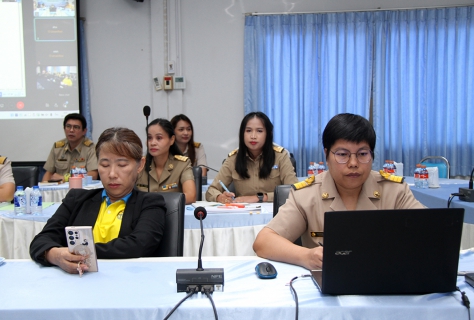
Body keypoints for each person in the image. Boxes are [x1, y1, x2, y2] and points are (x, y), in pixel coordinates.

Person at [253, 113, 424, 270]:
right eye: (343, 154)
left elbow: (431, 233)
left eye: (362, 154)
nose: (353, 163)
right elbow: (264, 242)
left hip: (386, 282)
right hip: (327, 288)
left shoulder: (395, 191)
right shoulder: (306, 195)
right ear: (327, 155)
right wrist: (307, 256)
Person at [30, 127, 166, 274]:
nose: (112, 174)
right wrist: (54, 255)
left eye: (122, 165)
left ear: (140, 165)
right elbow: (41, 241)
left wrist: (78, 252)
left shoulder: (150, 203)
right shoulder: (77, 199)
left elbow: (138, 244)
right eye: (105, 165)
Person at [205, 112, 298, 204]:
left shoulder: (280, 156)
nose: (253, 136)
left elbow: (294, 190)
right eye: (248, 131)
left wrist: (261, 197)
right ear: (242, 134)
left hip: (275, 214)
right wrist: (220, 197)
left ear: (268, 134)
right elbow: (211, 190)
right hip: (243, 214)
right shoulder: (233, 158)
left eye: (259, 131)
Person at [136, 118, 196, 204]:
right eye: (149, 138)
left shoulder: (182, 164)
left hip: (171, 214)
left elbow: (191, 196)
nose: (152, 143)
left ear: (171, 140)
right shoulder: (140, 164)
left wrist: (156, 201)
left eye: (159, 138)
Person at [42, 113, 98, 182]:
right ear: (64, 128)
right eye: (68, 126)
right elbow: (49, 173)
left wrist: (65, 178)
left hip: (81, 190)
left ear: (84, 131)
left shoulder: (91, 148)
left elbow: (93, 175)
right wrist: (43, 188)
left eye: (76, 127)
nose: (71, 130)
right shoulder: (57, 147)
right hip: (60, 191)